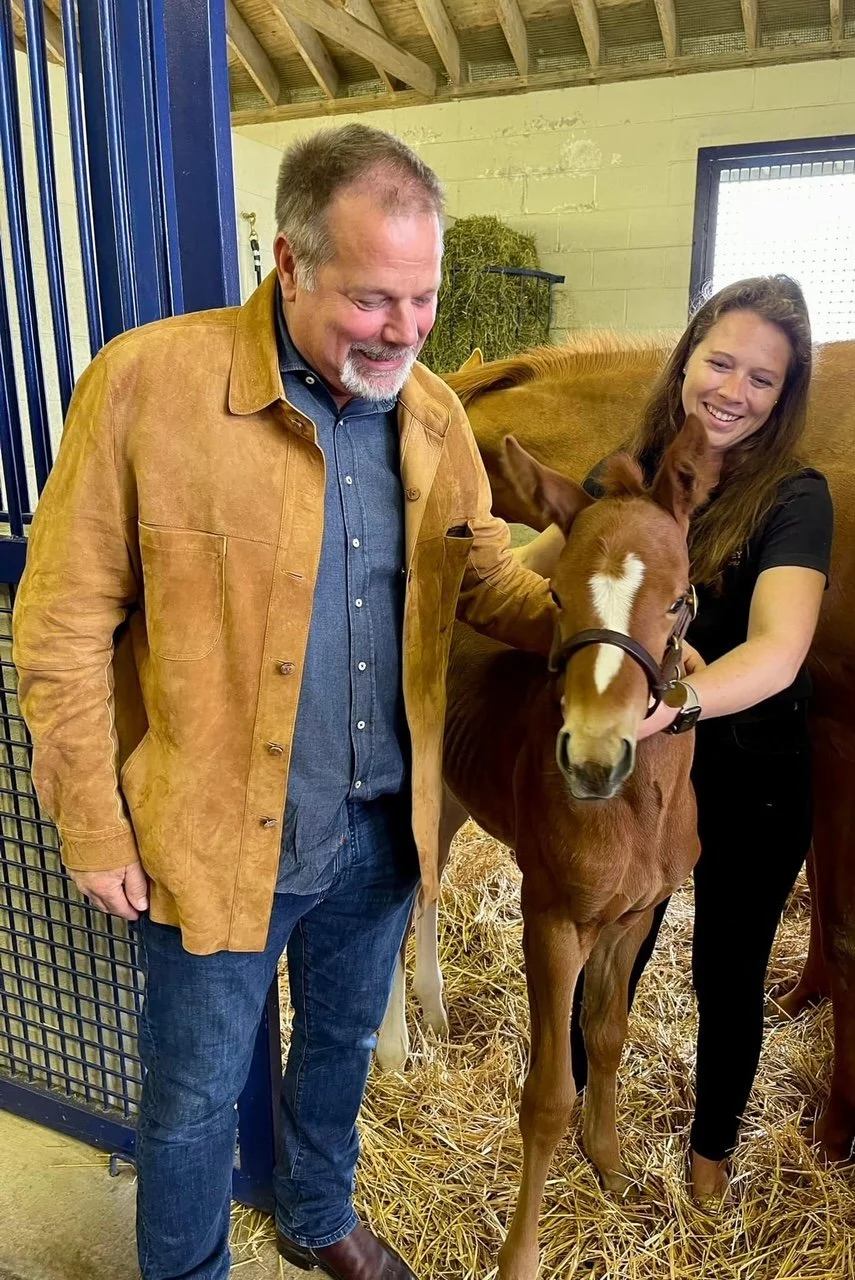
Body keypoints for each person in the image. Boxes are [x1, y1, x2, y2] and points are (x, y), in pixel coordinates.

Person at [12, 124, 555, 1280]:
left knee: (342, 1046)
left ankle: (316, 1212)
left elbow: (483, 576)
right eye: (372, 299)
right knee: (195, 1094)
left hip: (380, 827)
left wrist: (614, 622)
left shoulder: (434, 413)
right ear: (288, 260)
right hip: (215, 831)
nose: (405, 330)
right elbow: (58, 622)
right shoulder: (146, 383)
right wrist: (93, 822)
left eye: (424, 297)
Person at [519, 275, 832, 1203]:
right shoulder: (628, 476)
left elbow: (778, 651)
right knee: (609, 945)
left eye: (763, 379)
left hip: (750, 767)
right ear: (687, 361)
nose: (734, 390)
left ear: (785, 397)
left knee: (729, 970)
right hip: (636, 770)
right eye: (720, 362)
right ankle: (577, 1122)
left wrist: (672, 704)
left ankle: (710, 1156)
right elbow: (563, 575)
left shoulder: (794, 498)